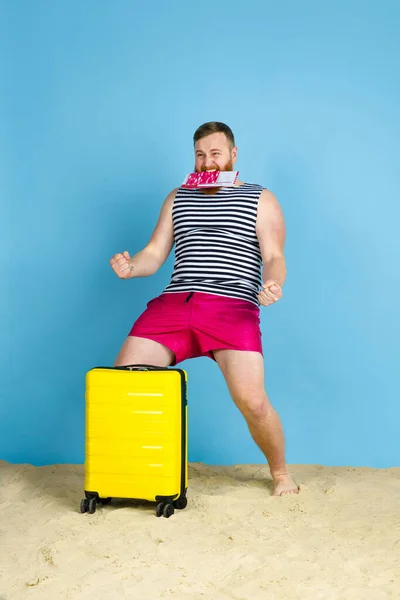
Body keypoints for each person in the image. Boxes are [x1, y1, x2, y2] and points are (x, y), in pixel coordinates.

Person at [110, 122, 299, 496]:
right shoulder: (177, 196)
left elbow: (275, 257)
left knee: (252, 401)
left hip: (231, 306)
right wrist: (132, 267)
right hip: (175, 303)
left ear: (232, 154)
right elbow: (154, 253)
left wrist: (274, 282)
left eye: (215, 153)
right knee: (125, 383)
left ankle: (280, 474)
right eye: (200, 155)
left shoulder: (260, 198)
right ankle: (138, 473)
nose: (207, 163)